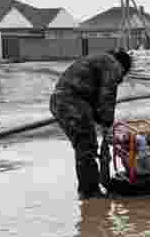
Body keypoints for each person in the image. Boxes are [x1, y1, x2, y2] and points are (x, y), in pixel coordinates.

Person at [50, 49, 132, 199]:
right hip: (72, 102)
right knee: (86, 146)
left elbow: (95, 100)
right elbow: (107, 96)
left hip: (61, 101)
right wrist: (107, 124)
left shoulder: (99, 61)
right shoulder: (113, 65)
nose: (120, 79)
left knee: (84, 145)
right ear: (123, 67)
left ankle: (87, 189)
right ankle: (90, 192)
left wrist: (101, 122)